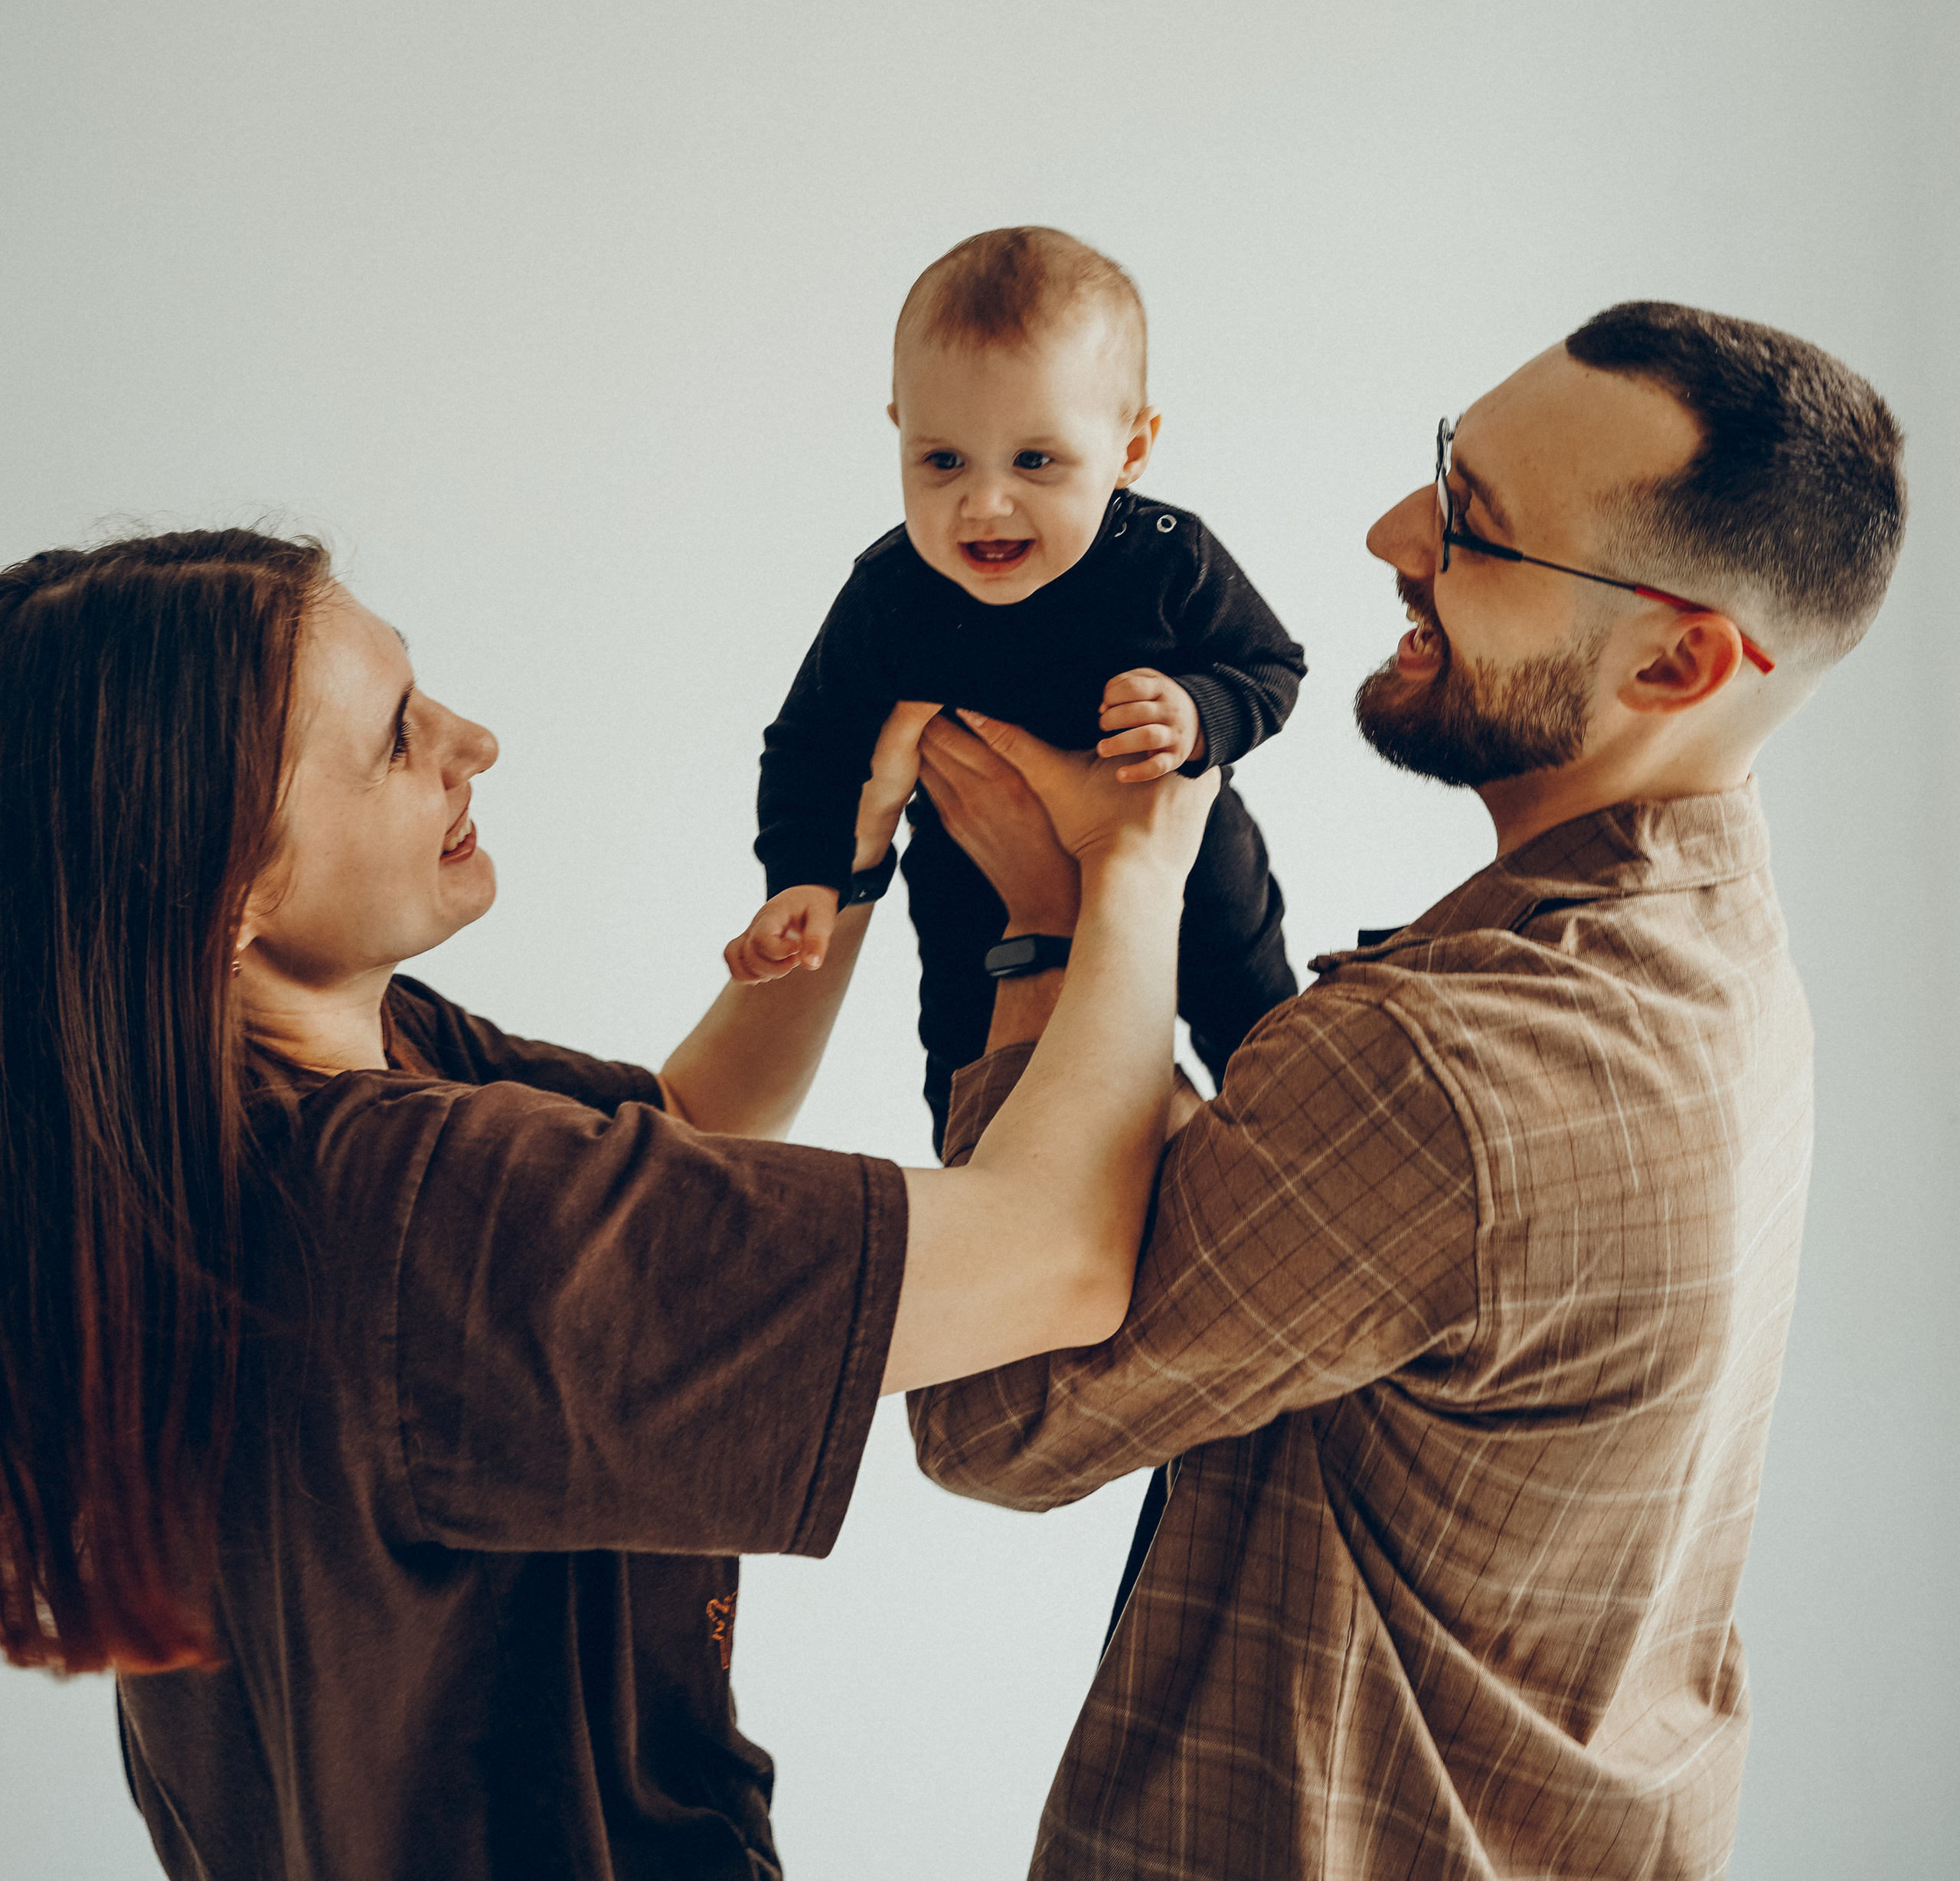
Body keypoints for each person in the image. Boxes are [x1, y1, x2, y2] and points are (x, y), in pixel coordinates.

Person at [0, 528, 1217, 1881]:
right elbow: (1056, 1258)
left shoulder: (233, 1107)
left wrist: (850, 858)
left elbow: (685, 1127)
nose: (474, 741)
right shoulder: (417, 1213)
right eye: (397, 741)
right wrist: (1123, 878)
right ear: (228, 891)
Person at [910, 302, 1907, 1881]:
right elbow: (1324, 1247)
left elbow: (999, 1411)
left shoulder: (1450, 1071)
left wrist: (1060, 916)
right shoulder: (1720, 948)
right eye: (1443, 467)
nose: (1391, 534)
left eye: (1472, 526)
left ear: (1676, 659)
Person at [729, 225, 1304, 1145]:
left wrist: (1200, 714)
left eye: (1035, 461)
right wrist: (804, 878)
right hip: (973, 882)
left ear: (1131, 449)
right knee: (970, 1076)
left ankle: (1281, 1152)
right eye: (943, 461)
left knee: (1261, 1037)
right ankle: (983, 1192)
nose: (985, 503)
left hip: (1189, 865)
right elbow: (812, 745)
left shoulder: (1168, 560)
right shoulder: (891, 594)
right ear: (900, 435)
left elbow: (1270, 666)